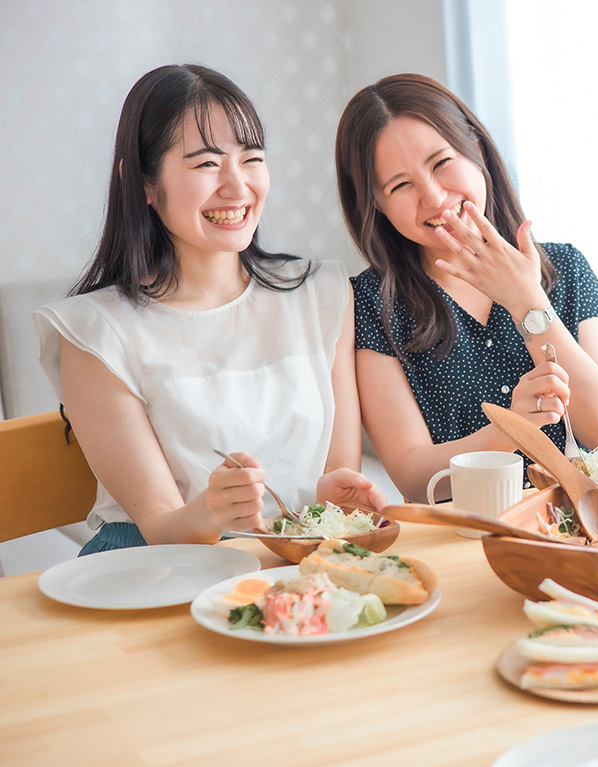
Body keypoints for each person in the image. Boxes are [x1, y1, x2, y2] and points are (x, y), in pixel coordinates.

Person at [35, 64, 385, 556]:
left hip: (291, 559)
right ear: (142, 185)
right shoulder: (94, 332)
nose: (237, 187)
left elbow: (331, 478)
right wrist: (213, 510)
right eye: (205, 164)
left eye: (252, 158)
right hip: (155, 569)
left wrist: (330, 499)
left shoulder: (321, 293)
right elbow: (159, 525)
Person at [334, 74, 598, 502]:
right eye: (401, 185)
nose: (434, 198)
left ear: (477, 149)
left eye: (441, 163)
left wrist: (526, 301)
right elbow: (414, 477)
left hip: (581, 525)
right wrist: (510, 429)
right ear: (375, 204)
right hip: (466, 538)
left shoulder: (565, 268)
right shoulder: (371, 305)